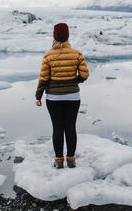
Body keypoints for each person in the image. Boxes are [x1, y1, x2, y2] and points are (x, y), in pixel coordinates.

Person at [35, 23, 90, 169]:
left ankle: (59, 161)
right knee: (70, 127)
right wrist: (74, 81)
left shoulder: (48, 55)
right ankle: (71, 160)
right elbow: (85, 74)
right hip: (73, 96)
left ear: (54, 36)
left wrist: (38, 96)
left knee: (57, 128)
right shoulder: (77, 54)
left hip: (53, 98)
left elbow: (44, 78)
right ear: (68, 36)